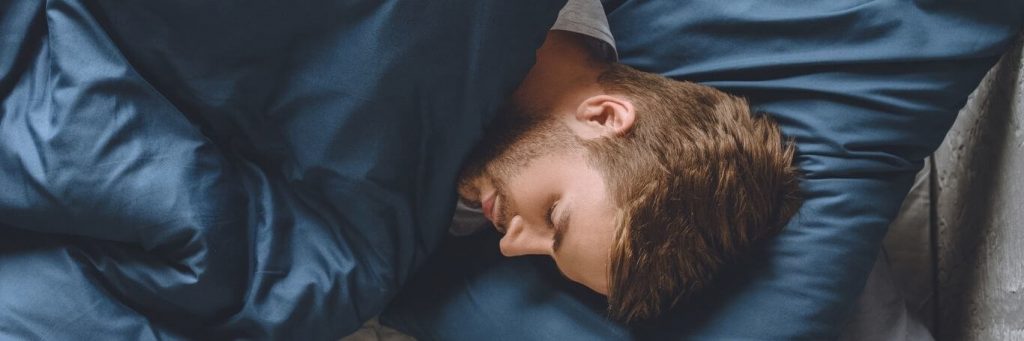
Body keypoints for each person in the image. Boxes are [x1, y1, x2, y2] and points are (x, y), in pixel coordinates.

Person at [452, 0, 802, 323]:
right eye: (554, 217)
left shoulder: (450, 214)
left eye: (545, 254)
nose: (509, 245)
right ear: (604, 117)